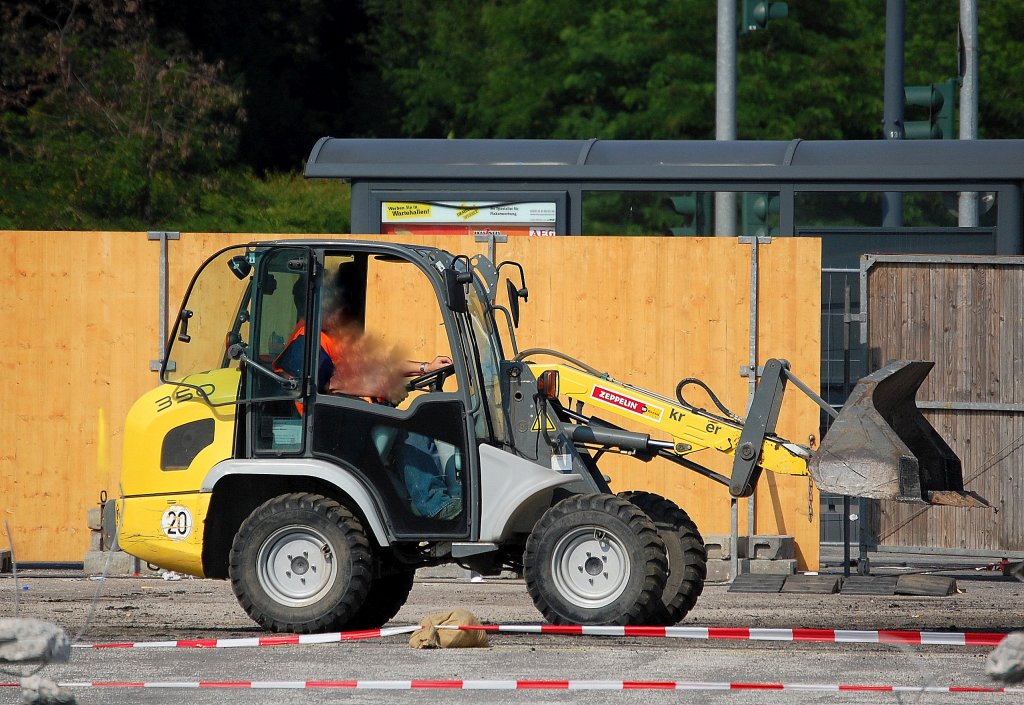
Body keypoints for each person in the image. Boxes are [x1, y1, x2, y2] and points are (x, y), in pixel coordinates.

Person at [275, 265, 461, 521]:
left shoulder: (332, 337)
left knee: (413, 423)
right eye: (335, 303)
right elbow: (330, 384)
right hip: (326, 427)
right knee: (415, 427)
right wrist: (382, 389)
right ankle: (435, 505)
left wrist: (425, 368)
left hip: (351, 416)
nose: (342, 310)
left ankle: (422, 506)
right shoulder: (307, 340)